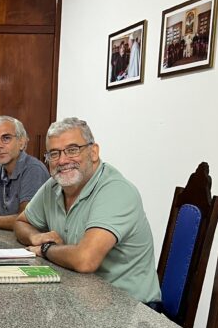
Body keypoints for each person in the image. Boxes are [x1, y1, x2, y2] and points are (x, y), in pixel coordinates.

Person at [14, 117, 160, 306]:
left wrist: (45, 249)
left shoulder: (116, 190)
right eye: (54, 154)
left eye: (72, 150)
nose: (63, 160)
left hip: (130, 307)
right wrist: (35, 237)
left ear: (93, 152)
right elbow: (21, 222)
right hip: (79, 296)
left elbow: (85, 260)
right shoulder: (53, 186)